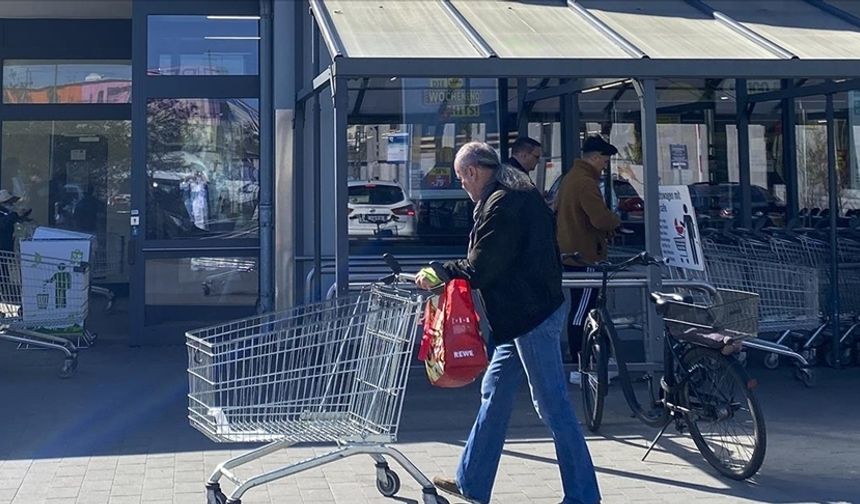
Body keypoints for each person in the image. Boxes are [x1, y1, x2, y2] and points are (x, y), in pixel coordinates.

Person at [416, 142, 600, 504]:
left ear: (471, 172)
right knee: (494, 396)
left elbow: (483, 266)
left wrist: (441, 271)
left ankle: (583, 496)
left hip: (530, 316)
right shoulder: (513, 191)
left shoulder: (503, 204)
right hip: (520, 317)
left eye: (460, 178)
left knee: (553, 406)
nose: (463, 187)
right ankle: (471, 482)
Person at [556, 136, 622, 385]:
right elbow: (600, 219)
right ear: (595, 158)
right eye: (604, 161)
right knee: (583, 310)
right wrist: (616, 220)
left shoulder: (571, 178)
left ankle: (589, 359)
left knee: (583, 308)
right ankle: (579, 362)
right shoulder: (585, 182)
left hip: (573, 253)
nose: (605, 166)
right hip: (584, 257)